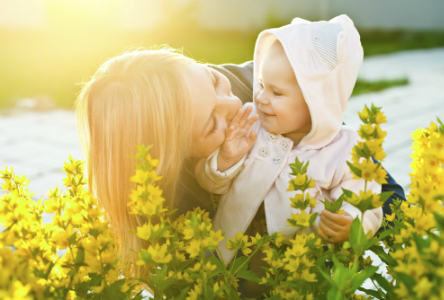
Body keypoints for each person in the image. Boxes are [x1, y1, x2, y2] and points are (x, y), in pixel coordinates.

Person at [75, 30, 405, 289]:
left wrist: (353, 225)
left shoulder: (268, 88)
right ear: (171, 160)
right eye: (213, 125)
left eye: (215, 82)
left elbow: (387, 196)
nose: (235, 107)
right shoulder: (166, 200)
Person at [195, 15, 384, 268]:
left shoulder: (345, 150)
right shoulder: (250, 124)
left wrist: (352, 223)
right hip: (231, 260)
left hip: (301, 272)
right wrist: (225, 160)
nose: (261, 98)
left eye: (276, 92)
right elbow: (209, 184)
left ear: (316, 101)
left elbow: (365, 199)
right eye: (261, 84)